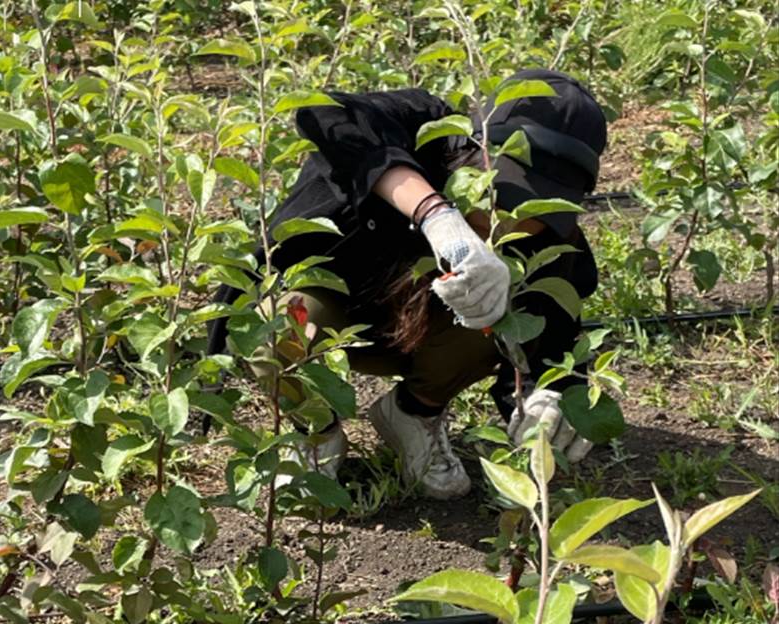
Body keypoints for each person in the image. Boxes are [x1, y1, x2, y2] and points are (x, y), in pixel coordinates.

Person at [208, 68, 607, 500]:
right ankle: (315, 432)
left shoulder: (550, 242)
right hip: (332, 310)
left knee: (513, 306)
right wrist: (435, 214)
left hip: (426, 339)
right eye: (505, 193)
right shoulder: (426, 129)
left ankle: (414, 415)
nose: (508, 219)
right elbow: (326, 112)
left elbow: (557, 333)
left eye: (537, 209)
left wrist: (552, 393)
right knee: (271, 324)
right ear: (474, 151)